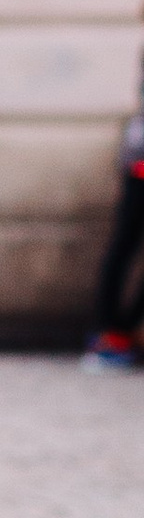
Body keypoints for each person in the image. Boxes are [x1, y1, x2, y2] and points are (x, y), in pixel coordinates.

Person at [79, 38, 144, 368]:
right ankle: (113, 333)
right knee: (123, 246)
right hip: (141, 165)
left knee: (123, 247)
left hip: (137, 160)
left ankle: (120, 331)